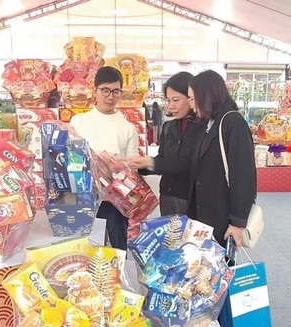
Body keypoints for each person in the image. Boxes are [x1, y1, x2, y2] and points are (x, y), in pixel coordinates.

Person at [187, 70, 256, 327]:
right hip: (207, 217)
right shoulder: (210, 123)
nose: (191, 105)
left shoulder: (233, 123)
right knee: (212, 279)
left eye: (193, 99)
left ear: (206, 95)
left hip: (224, 219)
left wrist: (237, 222)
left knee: (226, 282)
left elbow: (243, 175)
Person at [70, 66, 139, 250]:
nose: (110, 96)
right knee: (86, 246)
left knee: (118, 247)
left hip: (116, 197)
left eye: (115, 91)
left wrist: (117, 166)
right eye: (105, 90)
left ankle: (120, 276)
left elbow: (133, 167)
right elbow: (70, 158)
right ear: (95, 91)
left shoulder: (128, 128)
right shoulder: (79, 121)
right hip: (84, 194)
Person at [127, 72, 205, 215]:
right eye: (168, 101)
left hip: (192, 199)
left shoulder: (204, 128)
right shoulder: (169, 127)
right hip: (167, 196)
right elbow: (163, 160)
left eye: (176, 100)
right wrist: (140, 165)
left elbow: (188, 164)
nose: (171, 106)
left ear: (191, 97)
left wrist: (151, 162)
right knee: (169, 236)